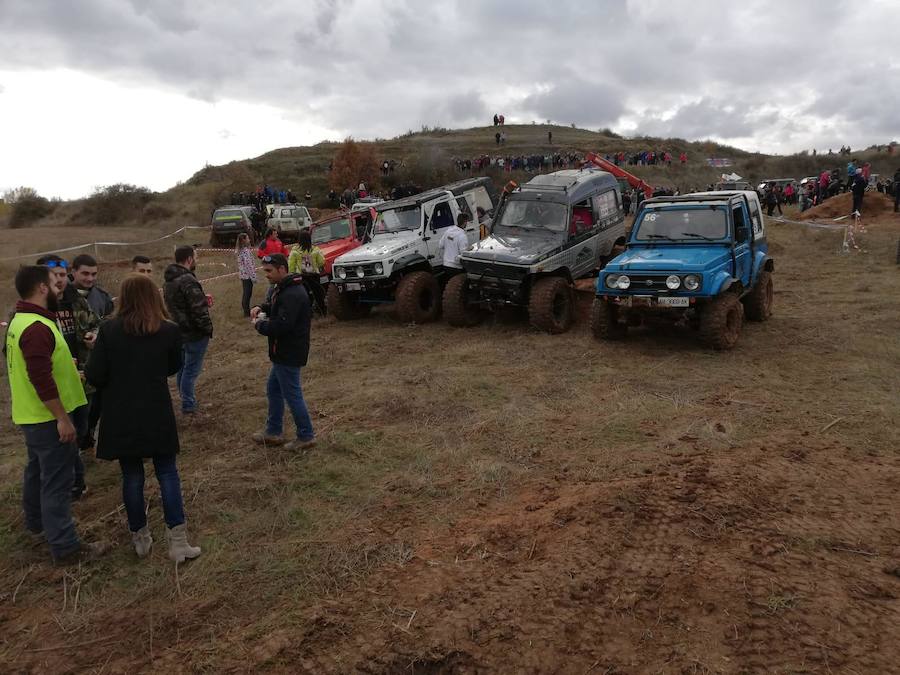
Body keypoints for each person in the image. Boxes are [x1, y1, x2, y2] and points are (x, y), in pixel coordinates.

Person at [85, 274, 201, 562]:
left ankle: (141, 538)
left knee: (132, 476)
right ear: (154, 296)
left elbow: (95, 375)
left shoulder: (108, 331)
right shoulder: (169, 331)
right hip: (156, 410)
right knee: (167, 472)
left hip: (121, 413)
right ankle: (178, 542)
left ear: (123, 298)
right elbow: (174, 367)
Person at [6, 265, 105, 565]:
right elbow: (39, 375)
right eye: (54, 283)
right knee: (57, 483)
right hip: (49, 420)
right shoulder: (37, 327)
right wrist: (62, 417)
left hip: (33, 417)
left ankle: (36, 524)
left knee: (36, 471)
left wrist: (70, 372)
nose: (60, 287)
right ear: (41, 288)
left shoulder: (22, 321)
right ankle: (65, 547)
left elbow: (36, 368)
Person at [36, 254, 98, 499]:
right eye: (54, 276)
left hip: (84, 378)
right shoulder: (37, 307)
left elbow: (96, 322)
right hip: (57, 385)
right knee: (67, 432)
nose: (60, 281)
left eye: (63, 275)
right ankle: (73, 481)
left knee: (83, 426)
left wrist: (94, 334)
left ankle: (77, 461)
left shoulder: (77, 301)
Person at [250, 254, 314, 450]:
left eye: (269, 271)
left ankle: (306, 435)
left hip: (289, 353)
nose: (266, 275)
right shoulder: (284, 288)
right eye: (265, 271)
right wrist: (263, 307)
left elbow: (282, 325)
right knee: (274, 389)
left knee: (292, 395)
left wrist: (260, 325)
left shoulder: (293, 293)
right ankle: (273, 431)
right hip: (281, 352)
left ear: (282, 269)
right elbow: (278, 309)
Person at [163, 245, 213, 415]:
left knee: (184, 369)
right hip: (194, 333)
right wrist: (207, 329)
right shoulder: (187, 280)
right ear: (189, 259)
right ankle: (189, 404)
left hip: (180, 332)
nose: (196, 260)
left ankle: (187, 400)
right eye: (196, 257)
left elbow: (180, 305)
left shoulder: (169, 281)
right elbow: (198, 310)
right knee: (191, 371)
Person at [288, 230, 327, 317]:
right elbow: (321, 262)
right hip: (314, 275)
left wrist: (292, 273)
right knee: (318, 294)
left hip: (301, 276)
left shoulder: (294, 251)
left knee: (304, 295)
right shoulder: (316, 250)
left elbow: (291, 265)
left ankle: (307, 313)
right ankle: (322, 311)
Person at [70, 254, 114, 319]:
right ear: (73, 272)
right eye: (85, 274)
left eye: (94, 274)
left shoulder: (104, 297)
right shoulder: (60, 297)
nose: (90, 278)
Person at [236, 233, 257, 318]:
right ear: (244, 240)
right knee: (247, 294)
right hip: (247, 276)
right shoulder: (245, 251)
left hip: (243, 275)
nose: (249, 239)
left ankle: (246, 311)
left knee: (246, 293)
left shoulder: (240, 250)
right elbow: (249, 265)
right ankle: (246, 312)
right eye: (248, 238)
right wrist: (253, 277)